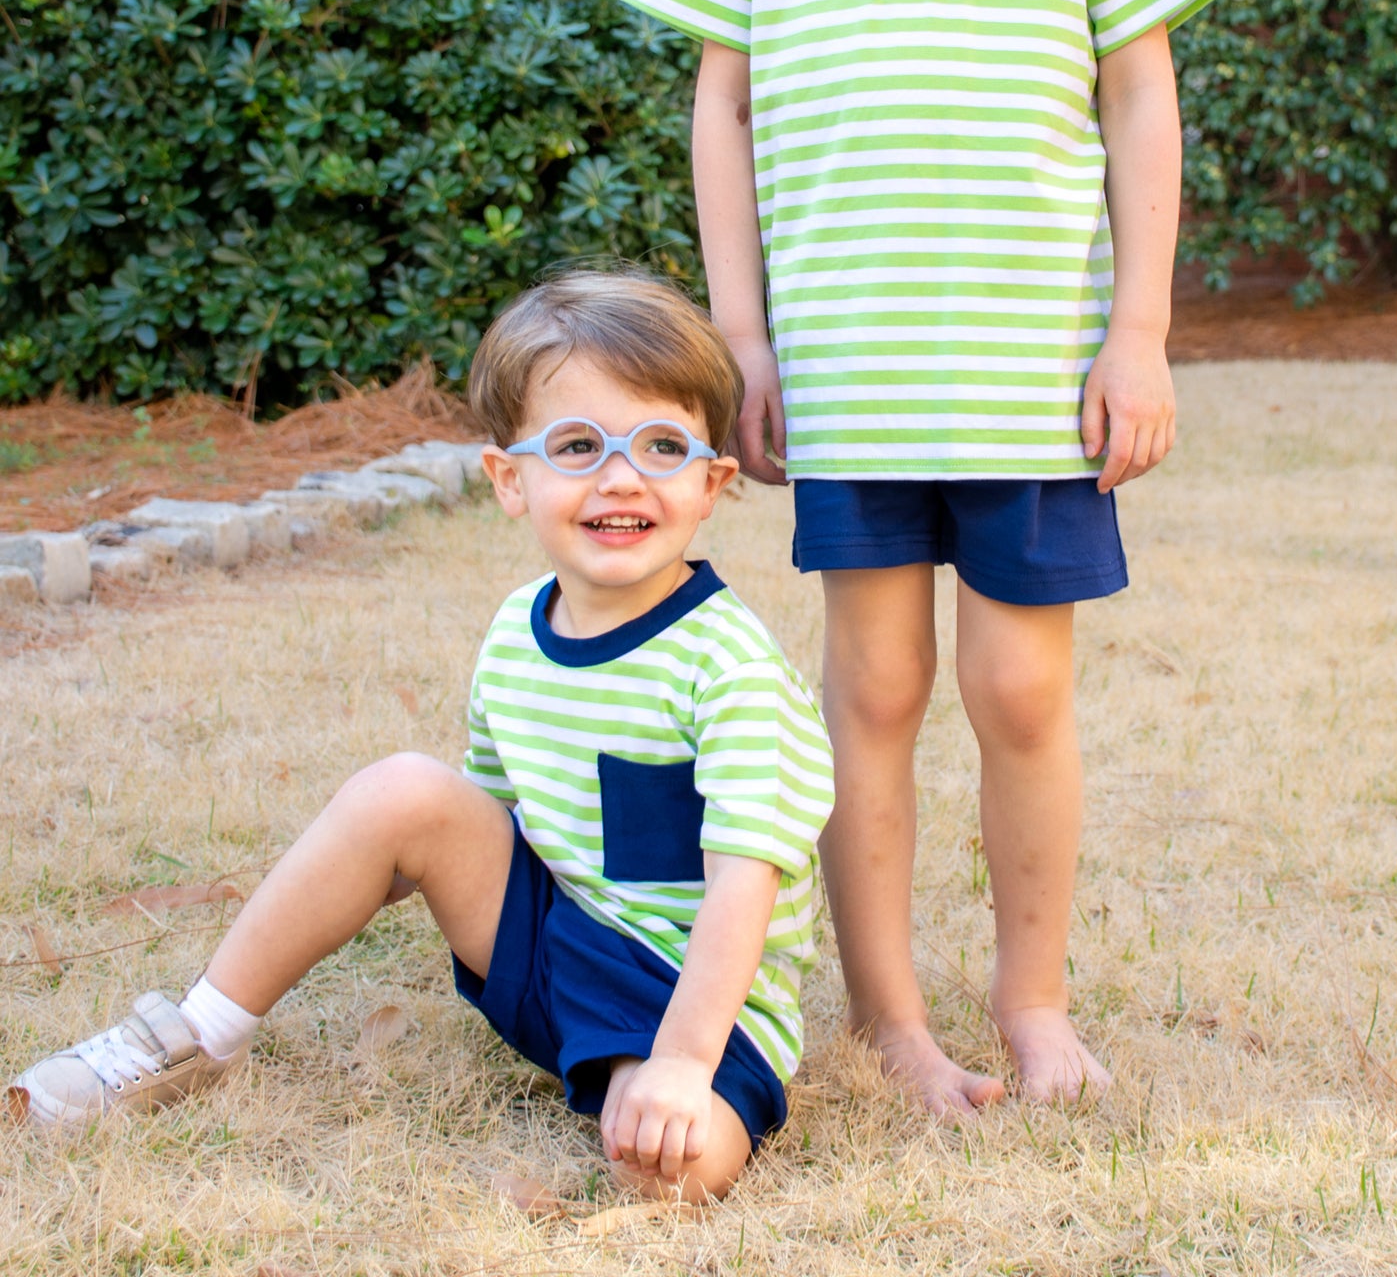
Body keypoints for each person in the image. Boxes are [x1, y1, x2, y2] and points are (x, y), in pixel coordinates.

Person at [621, 0, 1232, 1117]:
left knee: (1020, 688)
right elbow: (721, 105)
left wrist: (1143, 332)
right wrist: (740, 336)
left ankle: (1030, 1002)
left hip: (1030, 368)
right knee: (869, 689)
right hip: (846, 362)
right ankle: (893, 1013)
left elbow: (1139, 96)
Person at [10, 271, 835, 1204]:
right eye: (576, 445)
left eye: (660, 446)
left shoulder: (730, 667)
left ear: (712, 482)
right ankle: (196, 1033)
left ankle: (641, 1084)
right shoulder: (517, 631)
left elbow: (744, 883)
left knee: (672, 1174)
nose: (620, 477)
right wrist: (361, 859)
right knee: (401, 789)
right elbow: (484, 820)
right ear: (507, 480)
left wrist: (685, 1061)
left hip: (701, 998)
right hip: (558, 950)